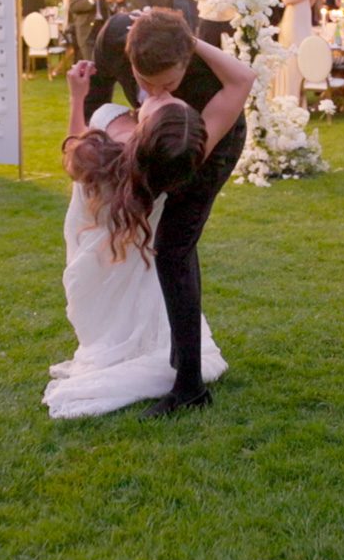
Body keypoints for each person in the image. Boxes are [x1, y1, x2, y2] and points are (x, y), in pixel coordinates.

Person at [46, 24, 255, 419]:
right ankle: (172, 355)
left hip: (190, 145)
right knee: (160, 250)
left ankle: (189, 383)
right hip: (144, 150)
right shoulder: (114, 44)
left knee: (173, 250)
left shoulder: (188, 135)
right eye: (149, 85)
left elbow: (241, 80)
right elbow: (98, 107)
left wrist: (183, 37)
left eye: (170, 88)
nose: (161, 93)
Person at [274, 0, 326, 100]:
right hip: (292, 20)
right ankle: (287, 98)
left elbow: (309, 2)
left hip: (305, 19)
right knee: (291, 60)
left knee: (304, 58)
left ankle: (301, 100)